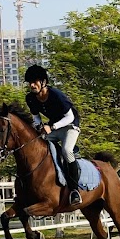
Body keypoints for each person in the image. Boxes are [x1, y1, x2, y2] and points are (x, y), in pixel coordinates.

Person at [24, 64, 82, 205]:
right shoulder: (30, 98)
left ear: (43, 82)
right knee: (37, 145)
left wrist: (52, 127)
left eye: (35, 81)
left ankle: (75, 191)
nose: (32, 85)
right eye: (30, 82)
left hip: (70, 126)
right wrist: (39, 126)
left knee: (66, 151)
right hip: (53, 128)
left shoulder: (56, 95)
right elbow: (36, 117)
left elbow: (70, 117)